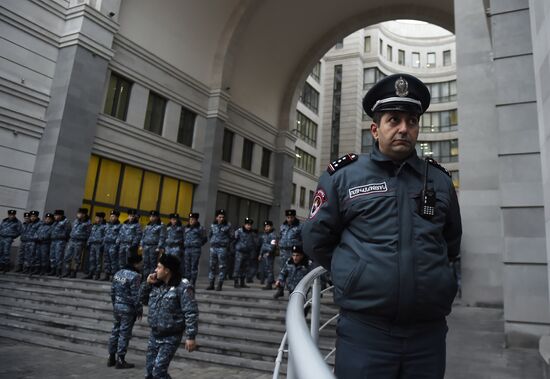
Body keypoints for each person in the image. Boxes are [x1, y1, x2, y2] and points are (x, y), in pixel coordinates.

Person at [302, 73, 462, 379]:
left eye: (412, 121)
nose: (404, 128)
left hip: (427, 336)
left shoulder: (440, 181)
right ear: (375, 129)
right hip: (365, 333)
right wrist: (352, 272)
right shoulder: (343, 177)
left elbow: (451, 241)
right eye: (394, 120)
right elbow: (316, 239)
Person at [140, 254, 198, 379]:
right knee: (149, 372)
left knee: (158, 372)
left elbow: (191, 312)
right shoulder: (156, 284)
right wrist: (147, 284)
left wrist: (191, 336)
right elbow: (142, 300)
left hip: (171, 336)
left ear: (167, 270)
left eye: (159, 267)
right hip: (154, 334)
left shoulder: (183, 287)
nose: (155, 270)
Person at [108, 252, 143, 369]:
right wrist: (139, 309)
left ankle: (111, 357)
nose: (142, 266)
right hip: (128, 309)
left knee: (115, 331)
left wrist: (115, 304)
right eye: (140, 263)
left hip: (117, 306)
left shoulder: (118, 273)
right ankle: (121, 360)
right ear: (136, 263)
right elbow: (136, 296)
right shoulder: (135, 276)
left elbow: (112, 291)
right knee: (124, 334)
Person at [207, 209, 232, 291]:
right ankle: (211, 284)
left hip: (222, 248)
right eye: (219, 217)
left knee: (222, 267)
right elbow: (210, 235)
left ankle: (219, 284)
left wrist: (226, 243)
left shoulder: (228, 226)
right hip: (213, 248)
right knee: (212, 266)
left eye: (222, 217)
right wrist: (213, 241)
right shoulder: (213, 225)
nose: (221, 218)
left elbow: (231, 236)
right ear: (216, 217)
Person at [62, 208, 91, 278]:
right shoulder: (76, 221)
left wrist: (85, 242)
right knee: (67, 257)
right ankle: (66, 271)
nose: (78, 215)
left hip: (79, 242)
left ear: (84, 214)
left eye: (79, 213)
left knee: (76, 258)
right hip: (71, 241)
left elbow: (89, 234)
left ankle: (74, 272)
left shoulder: (87, 223)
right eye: (78, 213)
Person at [183, 212, 207, 287]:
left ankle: (192, 282)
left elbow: (205, 239)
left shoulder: (201, 228)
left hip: (195, 250)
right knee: (187, 266)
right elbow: (184, 237)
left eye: (193, 219)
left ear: (196, 220)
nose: (191, 221)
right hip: (187, 249)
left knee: (194, 266)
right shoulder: (186, 228)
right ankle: (186, 282)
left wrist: (198, 244)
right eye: (190, 219)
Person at [232, 217, 257, 288]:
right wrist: (233, 250)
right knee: (237, 267)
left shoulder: (252, 233)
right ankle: (236, 282)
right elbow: (233, 241)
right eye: (247, 225)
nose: (248, 226)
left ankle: (242, 282)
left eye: (250, 225)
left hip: (247, 252)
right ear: (245, 224)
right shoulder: (239, 231)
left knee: (245, 268)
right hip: (239, 252)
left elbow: (253, 243)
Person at [141, 210, 166, 278]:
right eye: (151, 216)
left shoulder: (161, 225)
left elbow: (162, 237)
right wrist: (141, 244)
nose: (151, 218)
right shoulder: (148, 225)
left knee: (153, 264)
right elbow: (143, 235)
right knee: (145, 263)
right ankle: (145, 278)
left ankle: (152, 278)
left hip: (154, 247)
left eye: (153, 216)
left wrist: (159, 247)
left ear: (157, 217)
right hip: (146, 246)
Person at [116, 209, 142, 275]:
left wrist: (133, 245)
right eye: (130, 216)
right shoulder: (124, 224)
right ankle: (121, 274)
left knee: (129, 261)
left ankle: (128, 275)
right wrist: (118, 242)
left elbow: (138, 235)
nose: (131, 217)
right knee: (121, 260)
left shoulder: (137, 225)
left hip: (130, 245)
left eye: (133, 216)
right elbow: (120, 233)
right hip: (122, 244)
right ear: (128, 216)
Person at [278, 209, 302, 274]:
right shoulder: (283, 226)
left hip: (293, 252)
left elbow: (302, 239)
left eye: (291, 217)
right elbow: (280, 236)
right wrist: (279, 244)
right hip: (283, 252)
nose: (290, 219)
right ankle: (281, 283)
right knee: (282, 268)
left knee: (291, 269)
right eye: (288, 217)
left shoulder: (299, 226)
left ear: (294, 217)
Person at [49, 209, 71, 276]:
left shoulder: (66, 222)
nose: (55, 217)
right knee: (52, 256)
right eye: (55, 215)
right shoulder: (55, 222)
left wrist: (63, 237)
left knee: (58, 256)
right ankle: (53, 269)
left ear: (60, 215)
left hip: (60, 241)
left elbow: (68, 231)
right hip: (53, 241)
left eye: (57, 215)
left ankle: (58, 270)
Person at [85, 212, 107, 280]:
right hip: (92, 244)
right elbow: (91, 235)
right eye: (96, 217)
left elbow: (105, 237)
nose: (96, 219)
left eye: (97, 218)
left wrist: (102, 245)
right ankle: (90, 273)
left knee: (98, 260)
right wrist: (88, 243)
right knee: (91, 259)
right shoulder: (94, 226)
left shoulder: (104, 226)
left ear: (101, 218)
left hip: (99, 245)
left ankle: (97, 274)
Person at [102, 210, 122, 281]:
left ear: (117, 217)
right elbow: (104, 234)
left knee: (113, 261)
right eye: (111, 216)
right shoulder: (107, 224)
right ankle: (106, 275)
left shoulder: (120, 226)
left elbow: (120, 235)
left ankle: (114, 276)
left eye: (113, 216)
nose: (111, 217)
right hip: (106, 244)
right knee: (106, 260)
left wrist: (117, 244)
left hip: (113, 245)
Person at [258, 220, 278, 290]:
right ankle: (270, 281)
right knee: (266, 269)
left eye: (268, 226)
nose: (266, 228)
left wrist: (266, 249)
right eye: (265, 226)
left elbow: (272, 247)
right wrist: (260, 254)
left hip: (269, 255)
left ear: (271, 227)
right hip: (264, 254)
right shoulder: (264, 235)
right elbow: (262, 246)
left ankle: (269, 284)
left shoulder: (273, 235)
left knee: (269, 269)